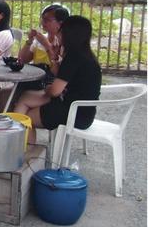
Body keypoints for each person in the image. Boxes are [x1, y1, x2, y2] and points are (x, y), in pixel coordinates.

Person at [14, 16, 102, 144]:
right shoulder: (84, 54)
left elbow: (55, 91)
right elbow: (59, 75)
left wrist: (48, 89)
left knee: (25, 117)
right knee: (25, 97)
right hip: (82, 110)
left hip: (73, 113)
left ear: (69, 34)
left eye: (61, 31)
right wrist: (54, 58)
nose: (58, 35)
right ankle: (21, 147)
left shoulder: (74, 58)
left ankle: (22, 148)